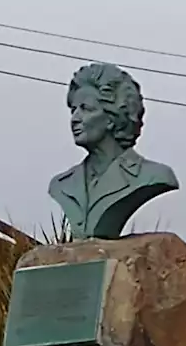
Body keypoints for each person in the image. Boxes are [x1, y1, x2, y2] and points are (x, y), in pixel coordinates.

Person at [48, 63, 179, 239]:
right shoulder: (62, 184)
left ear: (112, 118)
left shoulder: (153, 175)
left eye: (86, 109)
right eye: (73, 110)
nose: (75, 119)